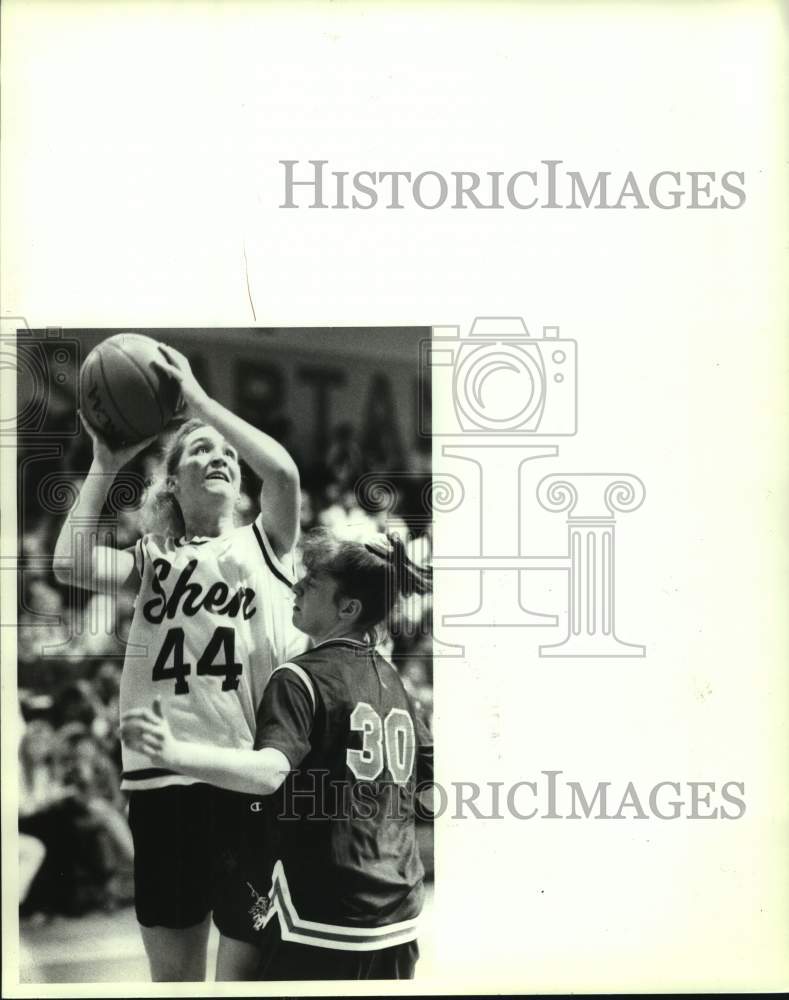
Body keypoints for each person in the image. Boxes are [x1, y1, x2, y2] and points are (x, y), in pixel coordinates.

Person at [53, 344, 305, 981]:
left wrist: (196, 402)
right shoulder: (152, 554)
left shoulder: (263, 544)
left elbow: (284, 477)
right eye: (199, 450)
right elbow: (69, 564)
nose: (218, 455)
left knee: (244, 975)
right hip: (159, 778)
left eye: (226, 452)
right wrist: (105, 463)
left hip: (238, 770)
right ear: (173, 481)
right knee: (174, 979)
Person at [122, 528, 433, 981]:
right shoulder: (396, 682)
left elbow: (269, 774)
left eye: (313, 584)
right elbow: (430, 782)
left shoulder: (298, 677)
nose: (297, 585)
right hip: (399, 913)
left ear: (348, 608)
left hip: (324, 912)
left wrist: (175, 752)